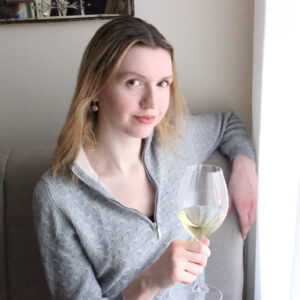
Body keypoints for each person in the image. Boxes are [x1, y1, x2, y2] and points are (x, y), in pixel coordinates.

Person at [32, 16, 257, 300]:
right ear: (95, 88)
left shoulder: (173, 140)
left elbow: (228, 124)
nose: (152, 102)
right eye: (134, 82)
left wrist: (244, 165)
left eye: (163, 83)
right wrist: (150, 281)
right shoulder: (58, 197)